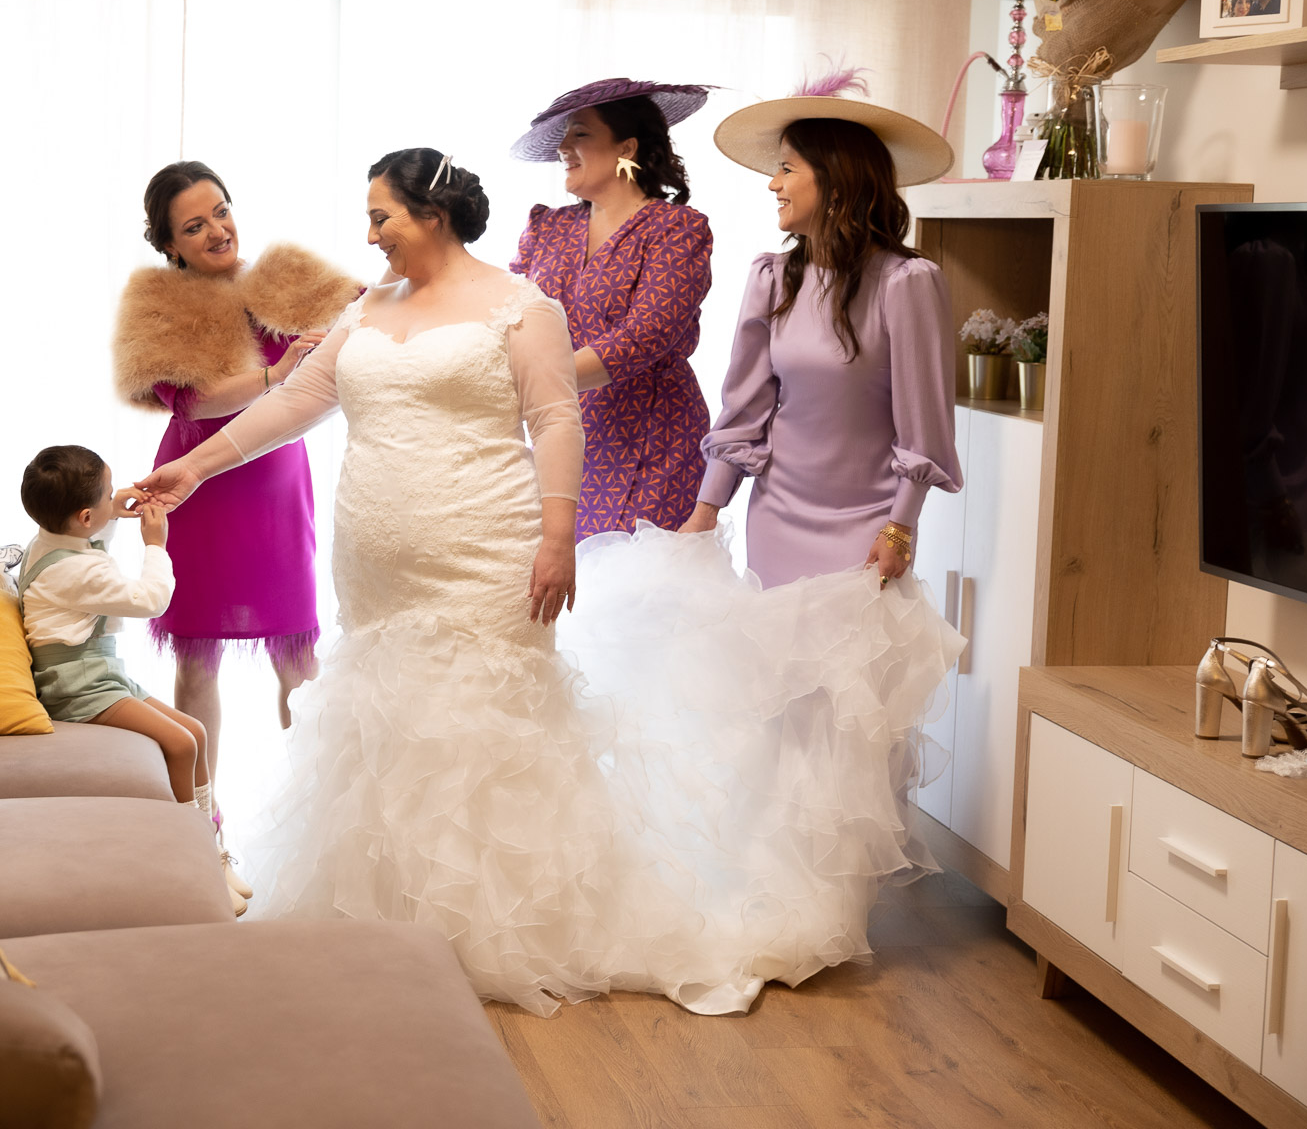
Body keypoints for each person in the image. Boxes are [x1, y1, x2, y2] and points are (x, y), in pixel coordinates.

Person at [133, 147, 961, 1017]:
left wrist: (558, 537)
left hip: (485, 555)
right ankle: (389, 918)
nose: (369, 235)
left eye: (381, 217)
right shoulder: (367, 309)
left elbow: (557, 419)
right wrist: (194, 469)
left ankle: (493, 927)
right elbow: (295, 402)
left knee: (478, 723)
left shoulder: (522, 308)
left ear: (432, 216)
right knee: (388, 722)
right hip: (377, 572)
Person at [680, 69, 964, 592]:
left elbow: (923, 426)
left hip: (870, 523)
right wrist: (706, 510)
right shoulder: (771, 279)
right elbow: (745, 410)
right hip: (775, 517)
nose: (773, 183)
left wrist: (901, 526)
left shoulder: (907, 283)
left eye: (787, 168)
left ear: (836, 181)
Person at [113, 161, 360, 747]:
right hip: (195, 485)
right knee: (197, 661)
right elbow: (191, 403)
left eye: (221, 212)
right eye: (194, 226)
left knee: (297, 654)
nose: (218, 231)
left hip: (277, 483)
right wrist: (276, 375)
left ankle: (318, 793)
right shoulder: (158, 306)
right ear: (169, 245)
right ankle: (202, 798)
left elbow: (376, 313)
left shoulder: (288, 282)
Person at [16, 444, 243, 914]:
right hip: (78, 685)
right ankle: (196, 861)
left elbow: (87, 547)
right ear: (84, 517)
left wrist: (110, 513)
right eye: (107, 494)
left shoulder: (49, 542)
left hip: (100, 673)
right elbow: (150, 599)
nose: (113, 497)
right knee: (181, 743)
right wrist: (155, 545)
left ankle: (214, 847)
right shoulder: (76, 572)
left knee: (195, 731)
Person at [510, 79, 715, 539]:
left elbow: (644, 336)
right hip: (562, 433)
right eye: (565, 134)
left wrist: (536, 383)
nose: (563, 146)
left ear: (627, 147)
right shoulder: (547, 227)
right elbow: (502, 313)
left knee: (637, 579)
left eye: (580, 133)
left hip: (655, 440)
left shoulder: (677, 229)